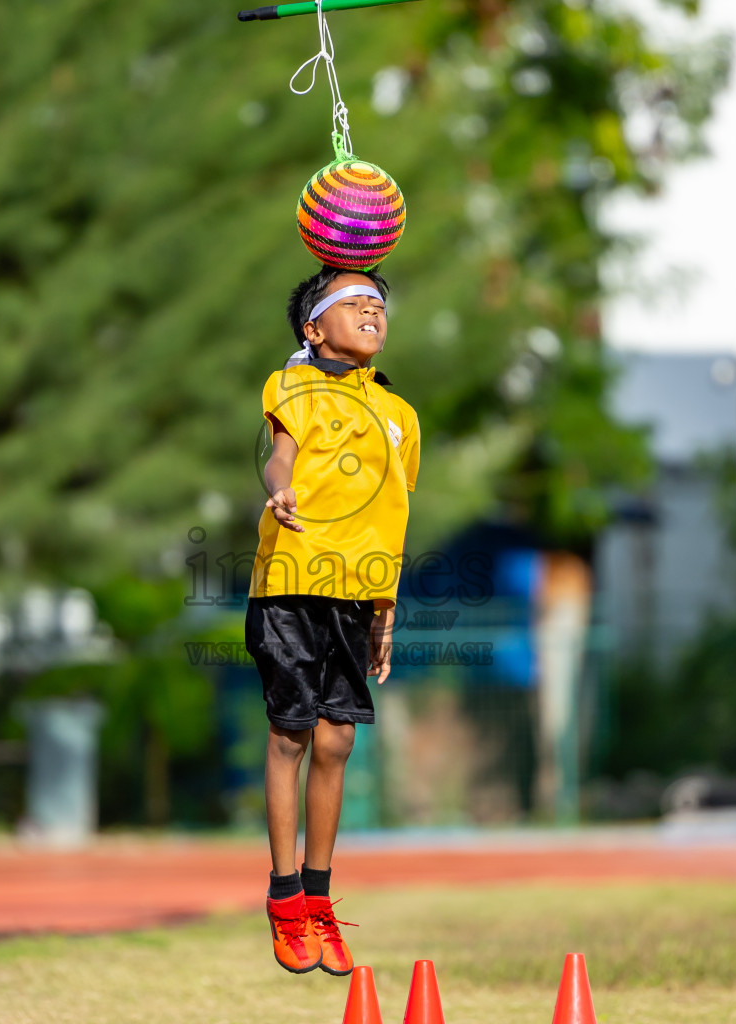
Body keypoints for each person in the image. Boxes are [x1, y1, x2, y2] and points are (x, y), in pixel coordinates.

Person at [245, 265, 420, 976]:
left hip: (358, 592)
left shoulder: (400, 415)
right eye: (352, 302)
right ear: (314, 328)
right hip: (290, 579)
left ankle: (320, 897)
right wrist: (281, 492)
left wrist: (385, 607)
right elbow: (277, 459)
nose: (372, 310)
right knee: (291, 732)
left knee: (338, 740)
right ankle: (284, 896)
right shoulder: (291, 386)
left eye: (378, 302)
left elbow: (390, 516)